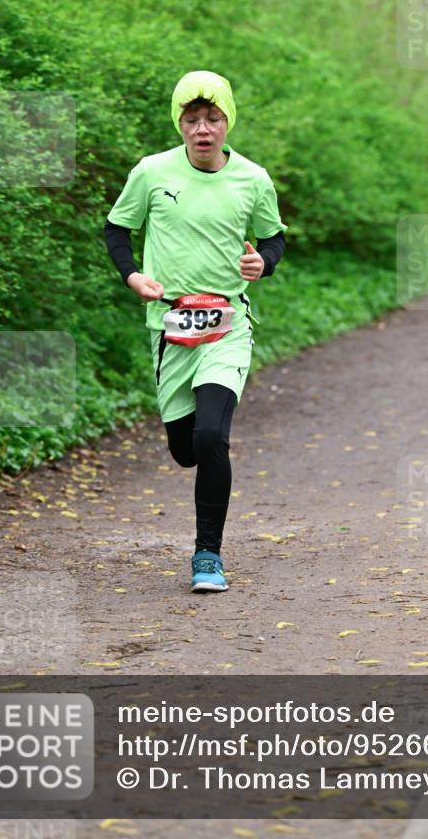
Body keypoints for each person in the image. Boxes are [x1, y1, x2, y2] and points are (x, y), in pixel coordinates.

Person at [104, 71, 287, 592]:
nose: (203, 129)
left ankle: (208, 555)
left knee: (211, 435)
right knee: (185, 448)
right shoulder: (151, 172)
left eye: (213, 118)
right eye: (192, 119)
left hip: (228, 323)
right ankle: (195, 459)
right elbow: (117, 227)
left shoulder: (253, 179)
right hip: (170, 324)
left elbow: (273, 240)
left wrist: (263, 264)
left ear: (227, 121)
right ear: (179, 123)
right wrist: (132, 274)